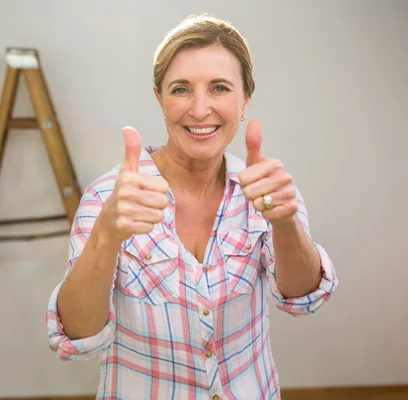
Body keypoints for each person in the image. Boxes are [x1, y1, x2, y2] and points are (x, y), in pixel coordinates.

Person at [46, 14, 338, 400]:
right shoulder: (108, 198)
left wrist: (284, 224)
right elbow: (79, 337)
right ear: (159, 98)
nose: (200, 110)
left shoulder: (267, 189)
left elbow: (303, 298)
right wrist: (106, 236)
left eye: (219, 88)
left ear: (245, 99)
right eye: (181, 89)